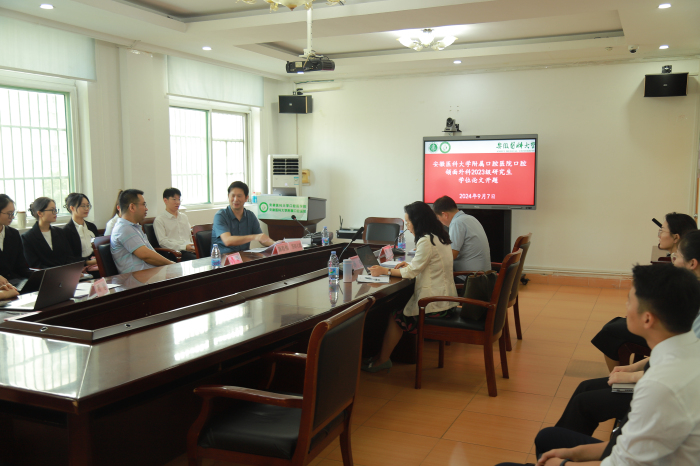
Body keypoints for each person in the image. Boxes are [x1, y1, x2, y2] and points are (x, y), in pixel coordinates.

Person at [496, 264, 700, 466]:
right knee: (548, 437)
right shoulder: (687, 349)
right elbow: (627, 447)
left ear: (647, 319)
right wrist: (575, 453)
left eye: (629, 301)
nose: (626, 306)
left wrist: (562, 464)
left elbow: (622, 463)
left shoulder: (659, 386)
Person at [591, 211, 697, 371]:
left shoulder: (686, 275)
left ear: (676, 237)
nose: (659, 235)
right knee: (615, 325)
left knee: (610, 331)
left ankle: (617, 378)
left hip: (668, 329)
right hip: (665, 323)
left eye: (662, 231)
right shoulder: (682, 268)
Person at [361, 201, 458, 373]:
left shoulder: (426, 240)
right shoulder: (439, 236)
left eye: (408, 221)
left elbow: (412, 272)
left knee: (396, 317)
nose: (407, 226)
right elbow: (428, 265)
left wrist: (385, 271)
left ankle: (382, 360)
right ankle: (379, 357)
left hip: (434, 305)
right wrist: (410, 265)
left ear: (418, 221)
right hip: (446, 301)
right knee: (397, 307)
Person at [110, 189, 174, 274]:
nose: (146, 209)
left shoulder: (133, 227)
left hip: (150, 274)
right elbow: (146, 255)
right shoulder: (123, 228)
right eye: (143, 204)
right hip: (138, 278)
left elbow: (150, 252)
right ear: (132, 207)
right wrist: (172, 265)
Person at [432, 195, 491, 280]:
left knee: (434, 279)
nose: (440, 222)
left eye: (438, 218)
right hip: (483, 277)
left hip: (470, 280)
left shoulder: (457, 223)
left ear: (445, 215)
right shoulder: (470, 218)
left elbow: (451, 255)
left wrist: (429, 254)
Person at [212, 181, 274, 254]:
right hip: (223, 258)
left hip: (243, 257)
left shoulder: (250, 216)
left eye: (239, 196)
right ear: (228, 196)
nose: (236, 199)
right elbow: (227, 241)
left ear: (246, 198)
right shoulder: (220, 216)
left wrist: (275, 244)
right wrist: (255, 237)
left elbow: (262, 239)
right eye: (233, 196)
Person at [21, 197, 82, 269]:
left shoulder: (60, 232)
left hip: (65, 272)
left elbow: (69, 257)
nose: (55, 213)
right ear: (40, 213)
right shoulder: (27, 237)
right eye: (52, 210)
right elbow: (35, 264)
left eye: (55, 210)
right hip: (45, 274)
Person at [153, 188, 197, 261]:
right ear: (165, 200)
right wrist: (184, 247)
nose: (178, 202)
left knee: (210, 255)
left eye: (179, 199)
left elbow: (190, 235)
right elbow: (163, 242)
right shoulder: (159, 220)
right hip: (175, 253)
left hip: (190, 249)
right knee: (198, 260)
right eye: (174, 199)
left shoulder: (184, 217)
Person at [0, 194, 31, 287]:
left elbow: (21, 267)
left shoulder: (13, 233)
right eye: (9, 214)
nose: (12, 217)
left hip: (15, 282)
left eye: (13, 213)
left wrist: (39, 277)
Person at [63, 193, 98, 267]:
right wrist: (88, 262)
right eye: (83, 206)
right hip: (79, 267)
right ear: (72, 208)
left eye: (88, 205)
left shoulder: (92, 226)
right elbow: (68, 258)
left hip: (96, 264)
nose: (87, 208)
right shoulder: (66, 231)